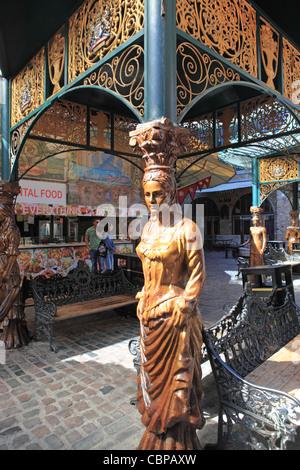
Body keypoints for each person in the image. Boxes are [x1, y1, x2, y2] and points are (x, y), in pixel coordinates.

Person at [135, 165, 206, 450]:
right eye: (148, 195)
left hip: (175, 318)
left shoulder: (187, 228)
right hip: (149, 316)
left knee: (178, 383)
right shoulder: (149, 227)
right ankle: (155, 434)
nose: (153, 200)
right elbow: (148, 268)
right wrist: (143, 292)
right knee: (149, 380)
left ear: (171, 193)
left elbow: (198, 275)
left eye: (158, 194)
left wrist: (186, 302)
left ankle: (179, 442)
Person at [0, 182, 30, 349]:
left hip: (8, 269)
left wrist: (5, 273)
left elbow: (12, 255)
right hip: (2, 266)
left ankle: (12, 335)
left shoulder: (12, 231)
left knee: (10, 297)